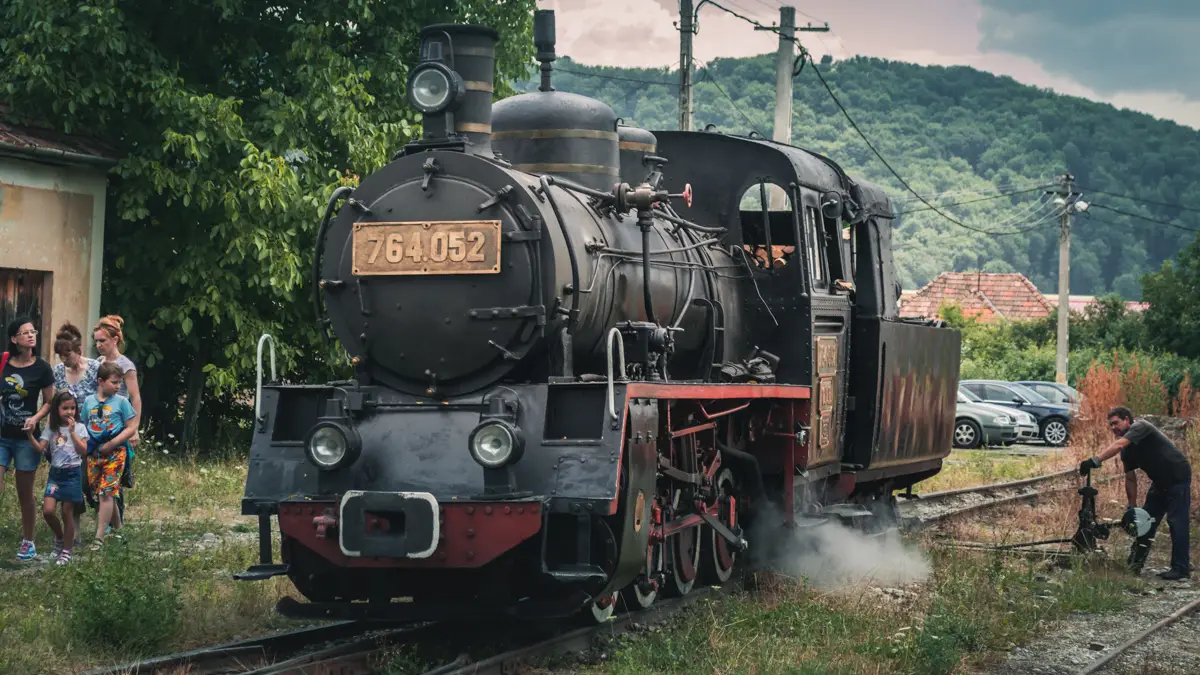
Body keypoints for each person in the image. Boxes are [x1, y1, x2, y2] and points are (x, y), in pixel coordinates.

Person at [1080, 407, 1193, 580]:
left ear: (1127, 420)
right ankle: (1135, 565)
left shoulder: (1141, 426)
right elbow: (1130, 479)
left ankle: (1181, 569)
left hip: (1177, 477)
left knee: (1177, 522)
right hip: (1160, 483)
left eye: (1116, 423)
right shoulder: (1128, 452)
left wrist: (1095, 461)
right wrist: (1132, 506)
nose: (1113, 428)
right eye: (1110, 425)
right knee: (1144, 522)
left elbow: (1118, 444)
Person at [1, 317, 55, 561]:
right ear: (15, 339)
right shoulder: (4, 363)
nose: (32, 335)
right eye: (25, 332)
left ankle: (28, 541)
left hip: (26, 439)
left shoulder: (42, 368)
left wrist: (35, 418)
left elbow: (51, 402)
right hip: (1, 436)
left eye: (33, 331)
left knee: (25, 493)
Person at [53, 322, 99, 546]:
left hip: (92, 433)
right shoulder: (57, 371)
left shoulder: (94, 368)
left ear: (78, 350)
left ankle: (108, 524)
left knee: (93, 481)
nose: (64, 360)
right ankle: (75, 528)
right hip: (66, 435)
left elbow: (106, 397)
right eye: (60, 355)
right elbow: (53, 402)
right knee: (73, 480)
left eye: (67, 354)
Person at [26, 391, 86, 565]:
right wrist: (30, 435)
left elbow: (83, 450)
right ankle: (59, 538)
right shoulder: (51, 428)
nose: (69, 412)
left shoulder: (80, 428)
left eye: (72, 408)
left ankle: (67, 550)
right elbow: (40, 448)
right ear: (56, 409)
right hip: (56, 475)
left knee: (67, 512)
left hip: (73, 473)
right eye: (65, 408)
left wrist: (73, 432)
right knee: (48, 511)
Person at [82, 362, 137, 550]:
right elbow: (84, 424)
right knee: (101, 492)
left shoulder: (121, 402)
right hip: (94, 452)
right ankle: (119, 528)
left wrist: (112, 444)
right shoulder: (89, 402)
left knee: (107, 491)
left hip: (115, 451)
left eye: (120, 382)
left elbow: (131, 427)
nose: (118, 386)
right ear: (100, 381)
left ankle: (99, 537)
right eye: (114, 382)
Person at [93, 315, 139, 523]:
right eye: (96, 341)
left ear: (114, 340)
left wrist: (135, 428)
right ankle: (105, 518)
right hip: (99, 424)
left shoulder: (125, 365)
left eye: (102, 340)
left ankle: (115, 523)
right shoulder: (97, 364)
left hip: (120, 425)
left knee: (116, 476)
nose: (98, 345)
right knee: (97, 471)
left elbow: (135, 397)